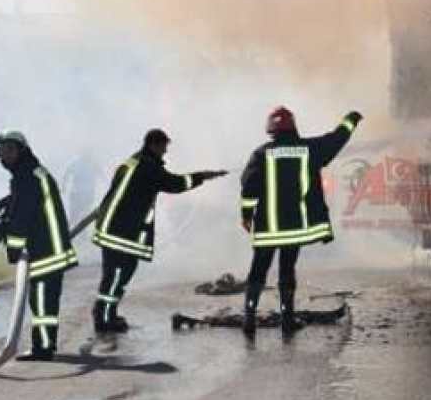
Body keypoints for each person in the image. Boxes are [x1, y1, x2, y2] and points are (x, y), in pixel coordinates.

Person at [240, 107, 362, 336]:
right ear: (292, 126)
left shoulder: (260, 154)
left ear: (271, 129)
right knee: (287, 270)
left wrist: (246, 216)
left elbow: (249, 188)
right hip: (295, 230)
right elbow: (336, 139)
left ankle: (249, 317)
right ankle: (287, 317)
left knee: (258, 270)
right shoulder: (309, 150)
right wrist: (350, 120)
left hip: (267, 230)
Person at [91, 129, 227, 333]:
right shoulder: (148, 167)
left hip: (111, 227)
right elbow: (174, 184)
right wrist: (203, 176)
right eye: (164, 146)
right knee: (118, 276)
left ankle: (107, 313)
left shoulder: (132, 162)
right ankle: (103, 318)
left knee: (114, 276)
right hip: (123, 233)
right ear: (154, 144)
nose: (165, 151)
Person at [0, 130, 78, 361]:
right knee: (44, 299)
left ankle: (43, 348)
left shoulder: (27, 176)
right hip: (49, 246)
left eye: (9, 150)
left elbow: (23, 217)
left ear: (21, 149)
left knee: (41, 300)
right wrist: (10, 200)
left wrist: (13, 248)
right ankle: (45, 345)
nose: (4, 156)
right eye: (0, 151)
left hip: (45, 249)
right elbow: (29, 202)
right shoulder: (31, 172)